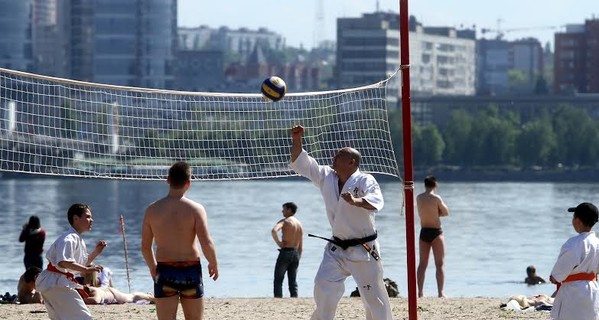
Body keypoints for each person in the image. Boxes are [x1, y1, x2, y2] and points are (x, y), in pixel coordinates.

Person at [289, 125, 393, 320]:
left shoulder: (365, 180)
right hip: (336, 248)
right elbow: (302, 163)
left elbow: (377, 201)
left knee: (374, 299)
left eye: (338, 156)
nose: (333, 157)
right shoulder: (326, 176)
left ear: (351, 162)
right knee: (323, 286)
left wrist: (356, 201)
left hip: (364, 249)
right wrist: (297, 140)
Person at [142, 161, 219, 320]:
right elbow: (206, 242)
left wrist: (152, 266)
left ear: (168, 180)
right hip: (190, 269)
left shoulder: (152, 210)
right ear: (188, 183)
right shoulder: (196, 209)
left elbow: (145, 247)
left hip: (164, 269)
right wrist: (213, 263)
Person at [35, 203, 107, 320]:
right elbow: (63, 262)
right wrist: (86, 270)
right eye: (88, 217)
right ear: (75, 218)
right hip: (56, 283)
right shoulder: (69, 238)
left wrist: (96, 252)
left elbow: (79, 264)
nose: (91, 220)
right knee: (83, 317)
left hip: (54, 283)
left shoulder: (76, 238)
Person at [549, 202, 599, 320]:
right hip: (592, 290)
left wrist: (554, 277)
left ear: (577, 221)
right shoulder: (597, 243)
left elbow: (558, 276)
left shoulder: (573, 244)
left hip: (573, 293)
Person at [416, 175, 449, 298]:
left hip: (424, 231)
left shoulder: (419, 197)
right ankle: (440, 293)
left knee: (422, 264)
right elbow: (446, 212)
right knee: (439, 264)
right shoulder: (436, 198)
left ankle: (420, 293)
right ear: (435, 185)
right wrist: (437, 213)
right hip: (436, 232)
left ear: (425, 185)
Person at [271, 202, 303, 298]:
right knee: (293, 280)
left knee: (278, 279)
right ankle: (294, 297)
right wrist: (299, 256)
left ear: (289, 210)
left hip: (286, 251)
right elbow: (301, 245)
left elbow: (274, 231)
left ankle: (278, 298)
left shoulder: (285, 221)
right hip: (295, 252)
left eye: (284, 209)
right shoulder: (299, 224)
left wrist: (279, 243)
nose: (282, 211)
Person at [79, 269, 154, 305]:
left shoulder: (94, 291)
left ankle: (150, 297)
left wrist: (79, 300)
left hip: (114, 295)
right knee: (132, 296)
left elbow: (95, 300)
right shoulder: (89, 288)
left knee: (132, 297)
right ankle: (149, 297)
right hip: (107, 291)